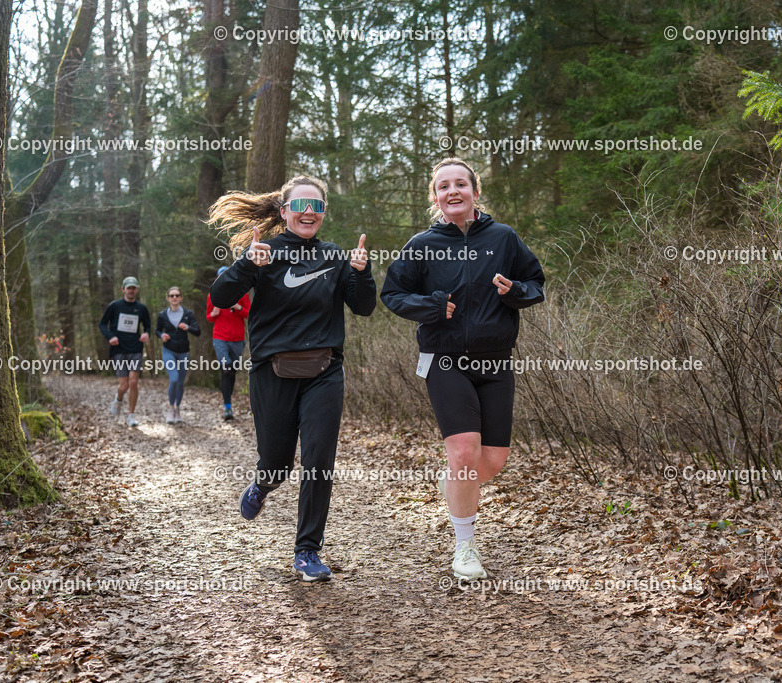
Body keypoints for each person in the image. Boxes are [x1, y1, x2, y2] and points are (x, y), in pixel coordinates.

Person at [380, 158, 545, 580]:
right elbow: (394, 293)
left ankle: (454, 480)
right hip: (444, 359)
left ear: (475, 191)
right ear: (435, 197)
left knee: (490, 463)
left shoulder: (504, 238)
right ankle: (465, 547)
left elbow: (536, 283)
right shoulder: (422, 244)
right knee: (465, 451)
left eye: (460, 184)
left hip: (495, 360)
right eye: (443, 186)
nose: (453, 191)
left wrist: (515, 292)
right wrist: (430, 306)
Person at [208, 175, 375, 582]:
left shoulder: (335, 256)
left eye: (316, 207)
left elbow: (364, 306)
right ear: (283, 212)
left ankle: (307, 551)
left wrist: (363, 272)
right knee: (278, 464)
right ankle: (262, 486)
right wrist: (248, 262)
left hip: (324, 371)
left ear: (322, 214)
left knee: (319, 460)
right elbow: (220, 297)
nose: (308, 213)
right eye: (300, 206)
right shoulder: (264, 253)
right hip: (272, 373)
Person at [99, 276, 152, 428]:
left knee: (134, 382)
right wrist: (111, 336)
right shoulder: (114, 306)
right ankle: (119, 398)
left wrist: (146, 334)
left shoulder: (142, 308)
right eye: (128, 288)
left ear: (137, 289)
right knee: (124, 386)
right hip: (118, 349)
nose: (131, 290)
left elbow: (147, 326)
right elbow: (102, 324)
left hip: (136, 348)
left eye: (133, 288)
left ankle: (131, 415)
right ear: (123, 289)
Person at [207, 266, 251, 420]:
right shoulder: (212, 295)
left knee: (232, 371)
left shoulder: (242, 294)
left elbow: (250, 314)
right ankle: (227, 407)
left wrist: (238, 307)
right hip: (220, 338)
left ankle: (229, 401)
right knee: (225, 369)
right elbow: (209, 317)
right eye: (220, 277)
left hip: (238, 339)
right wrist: (214, 313)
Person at [156, 286, 201, 424]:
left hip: (183, 352)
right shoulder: (162, 315)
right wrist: (162, 335)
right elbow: (157, 331)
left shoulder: (188, 314)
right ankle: (170, 409)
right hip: (168, 350)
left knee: (181, 382)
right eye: (171, 296)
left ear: (181, 297)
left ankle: (177, 409)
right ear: (168, 298)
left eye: (177, 295)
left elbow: (197, 331)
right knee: (174, 379)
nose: (174, 298)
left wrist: (188, 327)